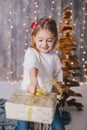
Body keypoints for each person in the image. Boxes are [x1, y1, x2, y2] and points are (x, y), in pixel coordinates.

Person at [15, 17, 65, 130]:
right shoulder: (31, 52)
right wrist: (33, 81)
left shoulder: (54, 57)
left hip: (46, 96)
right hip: (29, 95)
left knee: (58, 125)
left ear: (55, 39)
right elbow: (33, 66)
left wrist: (58, 85)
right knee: (23, 126)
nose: (45, 44)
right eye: (40, 40)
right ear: (34, 38)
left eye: (49, 40)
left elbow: (58, 72)